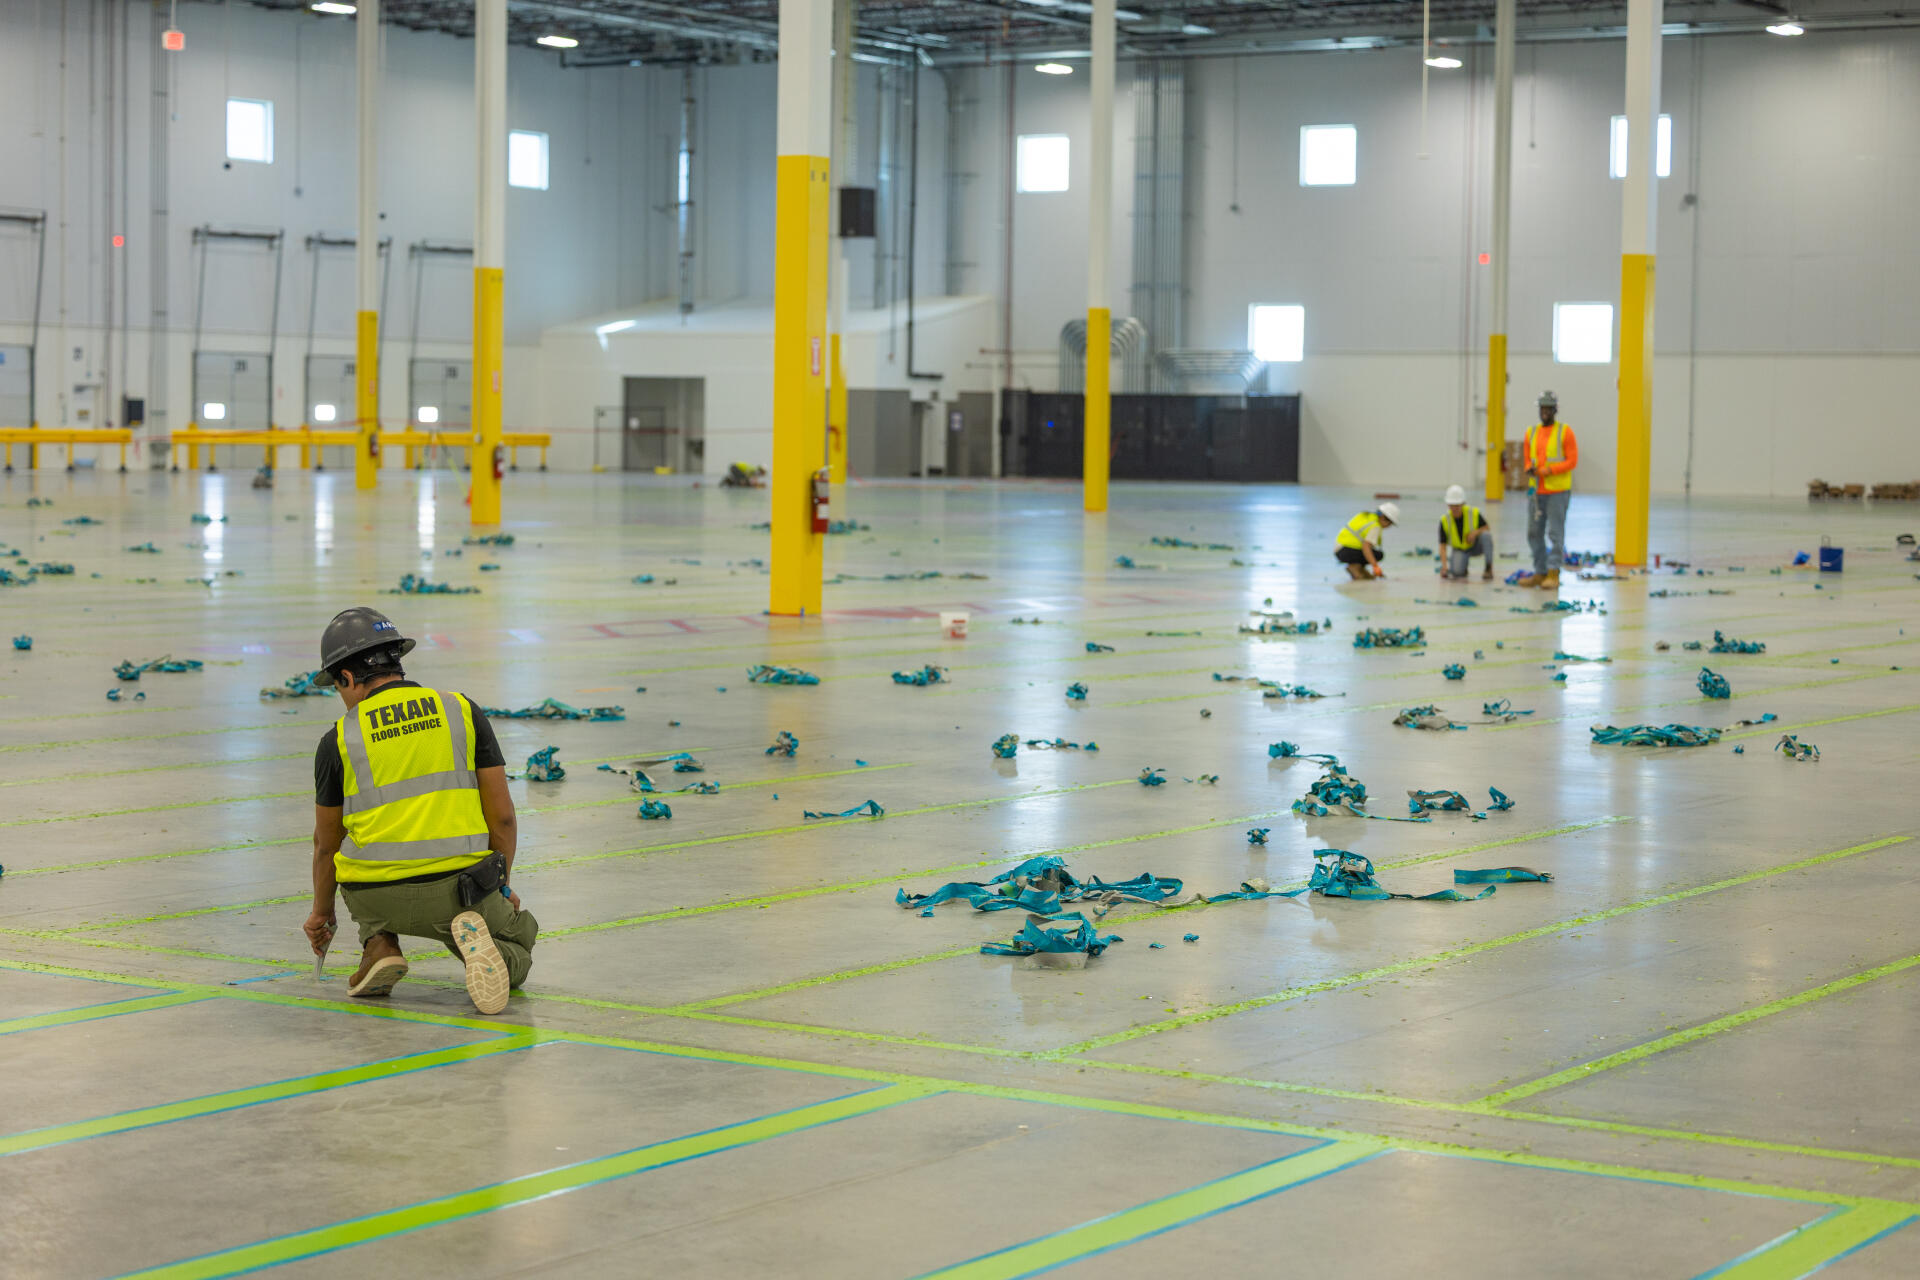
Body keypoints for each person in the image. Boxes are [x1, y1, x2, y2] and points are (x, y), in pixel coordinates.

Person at [300, 607, 535, 1015]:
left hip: (377, 896)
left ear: (348, 678)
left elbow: (326, 844)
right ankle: (484, 945)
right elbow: (503, 818)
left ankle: (379, 945)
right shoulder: (461, 710)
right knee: (518, 949)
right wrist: (499, 885)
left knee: (356, 860)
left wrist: (322, 913)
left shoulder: (338, 739)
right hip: (462, 890)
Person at [1516, 391, 1577, 589]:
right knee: (1533, 532)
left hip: (1557, 491)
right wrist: (1529, 469)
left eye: (1548, 408)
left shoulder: (1565, 432)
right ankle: (1540, 572)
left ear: (1554, 410)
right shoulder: (1531, 433)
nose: (1545, 412)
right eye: (1542, 408)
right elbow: (1527, 458)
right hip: (1536, 491)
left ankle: (1553, 572)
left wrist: (1549, 470)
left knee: (1555, 533)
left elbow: (1572, 460)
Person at [1438, 484, 1494, 581]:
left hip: (1475, 546)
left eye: (1457, 505)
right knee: (1457, 573)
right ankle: (1463, 566)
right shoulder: (1444, 520)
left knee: (1486, 536)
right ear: (1448, 505)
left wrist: (1475, 532)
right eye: (1452, 505)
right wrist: (1444, 567)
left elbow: (1487, 528)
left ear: (1463, 503)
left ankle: (1488, 569)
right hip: (1460, 550)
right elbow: (1442, 546)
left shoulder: (1473, 513)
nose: (1454, 508)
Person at [1334, 501, 1399, 580]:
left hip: (1339, 549)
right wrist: (1375, 566)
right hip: (1348, 551)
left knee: (1373, 555)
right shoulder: (1375, 526)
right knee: (1378, 555)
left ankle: (1360, 570)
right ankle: (1355, 568)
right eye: (1390, 524)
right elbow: (1366, 547)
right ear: (1384, 518)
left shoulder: (1365, 516)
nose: (1388, 527)